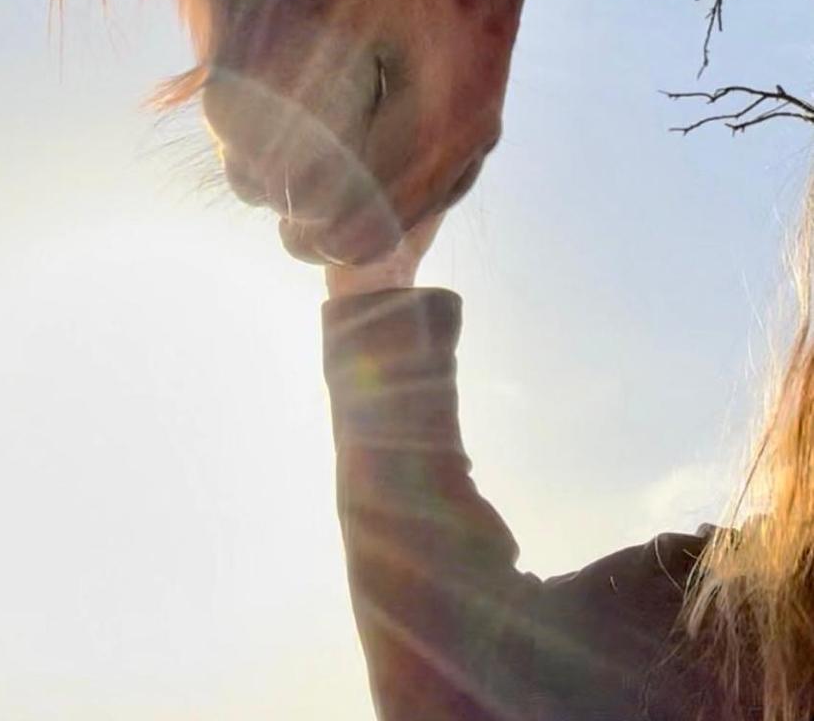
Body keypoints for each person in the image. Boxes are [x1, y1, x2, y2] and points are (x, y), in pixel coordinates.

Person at [320, 207, 814, 721]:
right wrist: (374, 283)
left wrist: (372, 291)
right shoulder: (729, 618)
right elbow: (460, 665)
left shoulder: (730, 618)